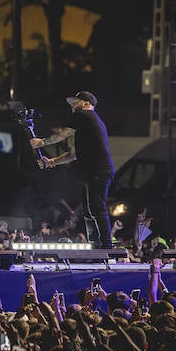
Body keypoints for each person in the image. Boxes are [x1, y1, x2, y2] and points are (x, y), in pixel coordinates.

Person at [30, 90, 115, 247]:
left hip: (99, 171)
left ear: (86, 103)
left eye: (74, 103)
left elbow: (63, 134)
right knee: (89, 211)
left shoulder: (84, 116)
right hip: (93, 172)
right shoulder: (90, 122)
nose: (71, 107)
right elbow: (74, 154)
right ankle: (96, 245)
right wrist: (52, 161)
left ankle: (106, 246)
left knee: (96, 209)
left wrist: (42, 142)